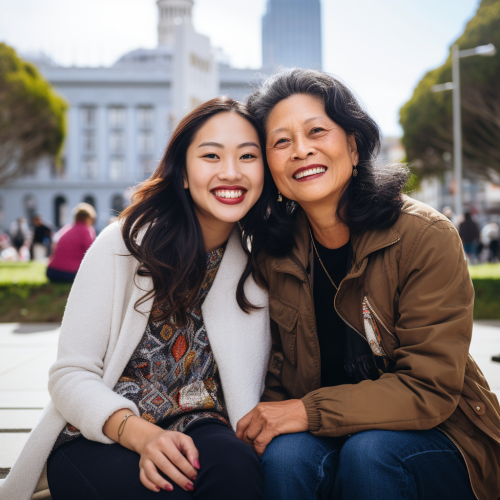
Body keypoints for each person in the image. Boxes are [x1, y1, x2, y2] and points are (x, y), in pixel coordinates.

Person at [236, 68, 500, 500]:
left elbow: (429, 388)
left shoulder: (424, 235)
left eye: (317, 131)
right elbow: (278, 378)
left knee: (370, 453)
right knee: (283, 457)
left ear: (353, 146)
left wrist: (308, 411)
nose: (301, 150)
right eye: (281, 142)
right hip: (328, 431)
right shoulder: (273, 253)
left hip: (444, 436)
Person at [0, 97, 271, 500]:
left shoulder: (258, 263)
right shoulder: (122, 246)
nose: (230, 172)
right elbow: (69, 375)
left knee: (239, 472)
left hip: (201, 423)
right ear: (182, 172)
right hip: (99, 430)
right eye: (211, 155)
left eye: (248, 156)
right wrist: (140, 435)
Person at [46, 203, 96, 282]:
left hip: (51, 271)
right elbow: (91, 253)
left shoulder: (67, 227)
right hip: (68, 272)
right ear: (89, 218)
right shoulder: (86, 230)